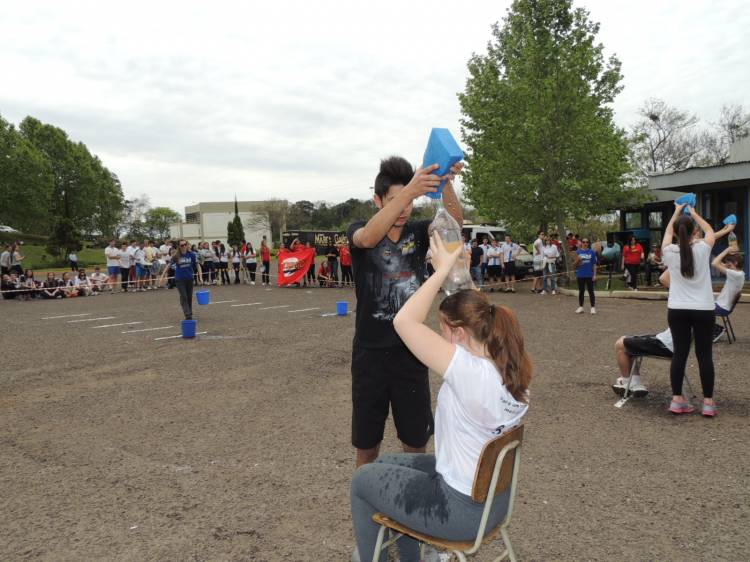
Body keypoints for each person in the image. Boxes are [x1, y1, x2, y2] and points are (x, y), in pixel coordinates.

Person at [351, 233, 531, 562]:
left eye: (443, 329)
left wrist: (441, 271)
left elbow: (404, 321)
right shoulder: (507, 366)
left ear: (459, 333)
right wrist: (460, 275)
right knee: (385, 464)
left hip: (459, 510)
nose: (440, 336)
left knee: (363, 480)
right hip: (491, 500)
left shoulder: (468, 372)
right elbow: (479, 311)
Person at [346, 155, 463, 469]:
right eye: (395, 200)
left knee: (415, 443)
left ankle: (414, 497)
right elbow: (368, 238)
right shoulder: (360, 230)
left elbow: (455, 224)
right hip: (369, 354)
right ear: (378, 200)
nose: (404, 208)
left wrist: (446, 182)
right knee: (367, 446)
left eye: (409, 201)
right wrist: (411, 189)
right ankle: (364, 498)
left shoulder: (420, 232)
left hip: (412, 353)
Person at [661, 203, 717, 416]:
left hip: (677, 309)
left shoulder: (669, 251)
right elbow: (710, 231)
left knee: (680, 353)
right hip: (703, 308)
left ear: (676, 233)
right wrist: (694, 213)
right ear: (695, 232)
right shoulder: (703, 248)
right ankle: (708, 403)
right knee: (704, 355)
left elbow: (668, 233)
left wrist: (676, 211)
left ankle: (677, 400)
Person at [611, 328, 673, 398]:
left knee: (620, 344)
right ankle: (634, 381)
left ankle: (626, 380)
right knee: (629, 341)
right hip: (673, 343)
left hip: (667, 344)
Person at [172, 240, 197, 320]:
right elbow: (169, 265)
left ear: (187, 245)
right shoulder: (176, 256)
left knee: (189, 297)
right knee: (184, 296)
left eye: (185, 244)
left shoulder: (192, 255)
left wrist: (200, 276)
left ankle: (189, 312)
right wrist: (162, 275)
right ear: (179, 246)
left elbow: (196, 265)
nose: (184, 246)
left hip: (189, 278)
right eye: (182, 245)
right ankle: (187, 314)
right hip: (180, 279)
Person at [573, 238, 597, 314]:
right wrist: (578, 260)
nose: (585, 243)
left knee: (591, 291)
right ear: (581, 243)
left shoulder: (592, 252)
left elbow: (594, 264)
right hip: (580, 275)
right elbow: (574, 265)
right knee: (581, 291)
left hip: (589, 275)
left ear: (588, 243)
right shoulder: (578, 252)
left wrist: (594, 275)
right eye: (583, 242)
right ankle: (581, 307)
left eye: (587, 242)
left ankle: (592, 307)